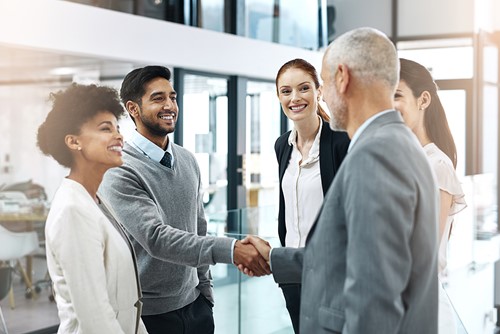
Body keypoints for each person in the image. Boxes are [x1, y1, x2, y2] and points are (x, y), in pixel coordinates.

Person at [241, 27, 440, 333]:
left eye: (322, 82)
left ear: (342, 78)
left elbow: (373, 298)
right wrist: (276, 257)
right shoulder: (398, 140)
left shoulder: (375, 154)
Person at [98, 65, 270, 334]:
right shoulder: (119, 169)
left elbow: (198, 228)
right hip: (148, 316)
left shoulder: (187, 160)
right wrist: (233, 249)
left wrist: (205, 291)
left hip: (196, 306)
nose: (170, 105)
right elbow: (156, 237)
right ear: (133, 109)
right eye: (158, 98)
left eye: (173, 97)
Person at [37, 83, 148, 333]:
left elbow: (127, 303)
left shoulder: (95, 200)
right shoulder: (72, 211)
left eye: (118, 128)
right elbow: (96, 317)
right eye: (105, 128)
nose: (119, 135)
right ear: (73, 141)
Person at [274, 58, 349, 332]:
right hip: (292, 271)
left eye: (304, 88)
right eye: (286, 91)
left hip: (333, 274)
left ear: (319, 91)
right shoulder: (282, 146)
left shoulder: (342, 142)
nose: (295, 98)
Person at [395, 58, 467, 333]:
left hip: (416, 304)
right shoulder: (397, 158)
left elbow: (424, 255)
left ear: (423, 100)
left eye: (397, 95)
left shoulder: (437, 165)